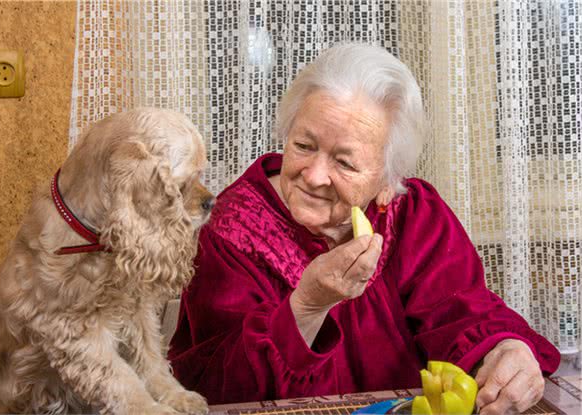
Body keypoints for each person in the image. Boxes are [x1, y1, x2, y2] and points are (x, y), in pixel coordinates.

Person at [168, 43, 560, 414]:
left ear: (388, 180)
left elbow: (462, 312)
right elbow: (216, 390)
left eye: (345, 163)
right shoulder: (231, 230)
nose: (315, 175)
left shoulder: (414, 214)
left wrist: (507, 349)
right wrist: (306, 306)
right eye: (304, 145)